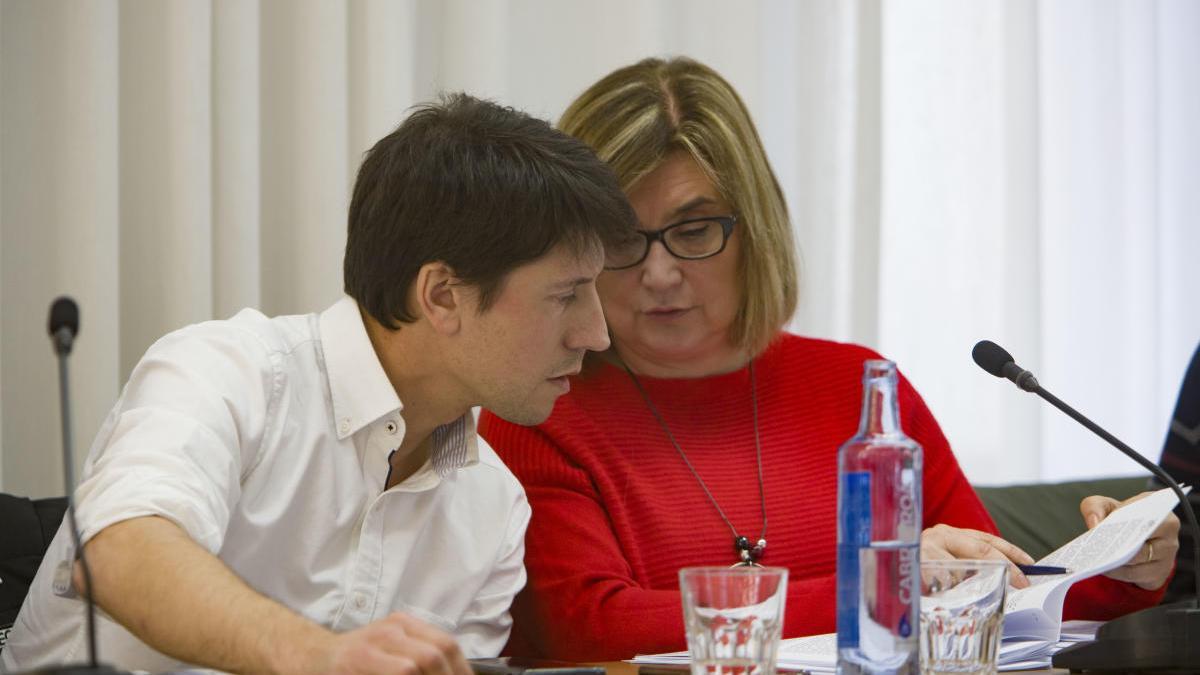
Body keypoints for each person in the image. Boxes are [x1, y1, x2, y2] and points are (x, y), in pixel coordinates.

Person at [479, 57, 1180, 660]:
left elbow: (991, 586)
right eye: (622, 239)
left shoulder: (860, 388)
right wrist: (890, 587)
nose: (659, 274)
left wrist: (1128, 563)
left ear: (755, 225)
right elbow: (593, 626)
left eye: (694, 230)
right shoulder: (537, 404)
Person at [2, 94, 635, 674]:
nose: (598, 334)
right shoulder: (227, 372)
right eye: (567, 295)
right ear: (442, 295)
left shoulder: (494, 507)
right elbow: (115, 550)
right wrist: (319, 657)